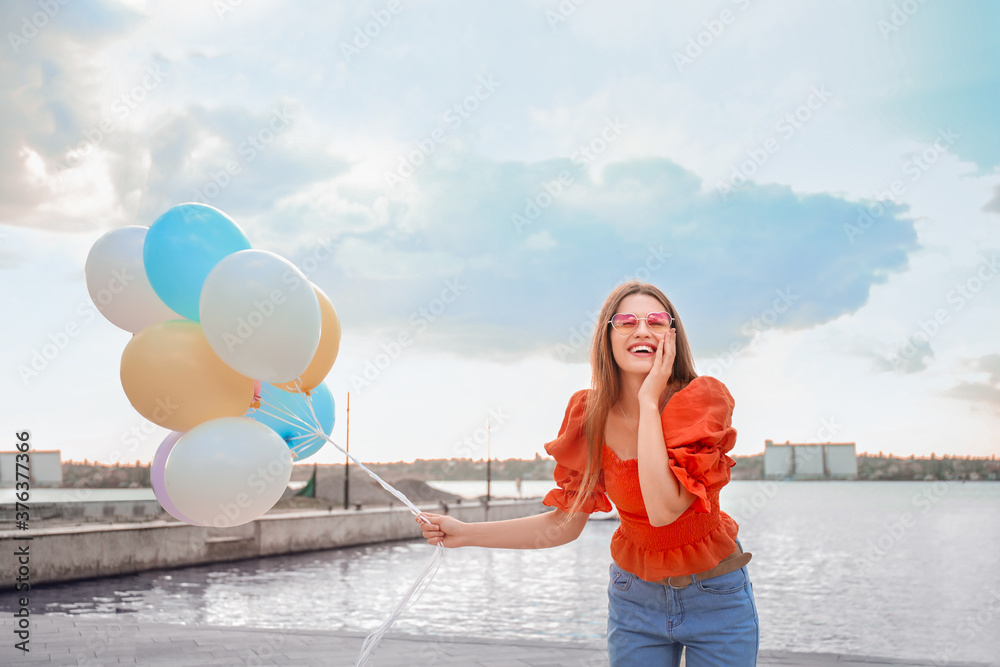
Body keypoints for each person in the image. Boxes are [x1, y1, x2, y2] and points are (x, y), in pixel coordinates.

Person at [417, 281, 759, 666]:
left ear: (672, 337)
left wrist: (649, 402)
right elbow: (565, 524)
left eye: (657, 321)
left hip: (715, 598)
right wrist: (464, 534)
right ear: (607, 338)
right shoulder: (589, 415)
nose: (642, 330)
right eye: (627, 321)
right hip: (635, 601)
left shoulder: (701, 401)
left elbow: (665, 511)